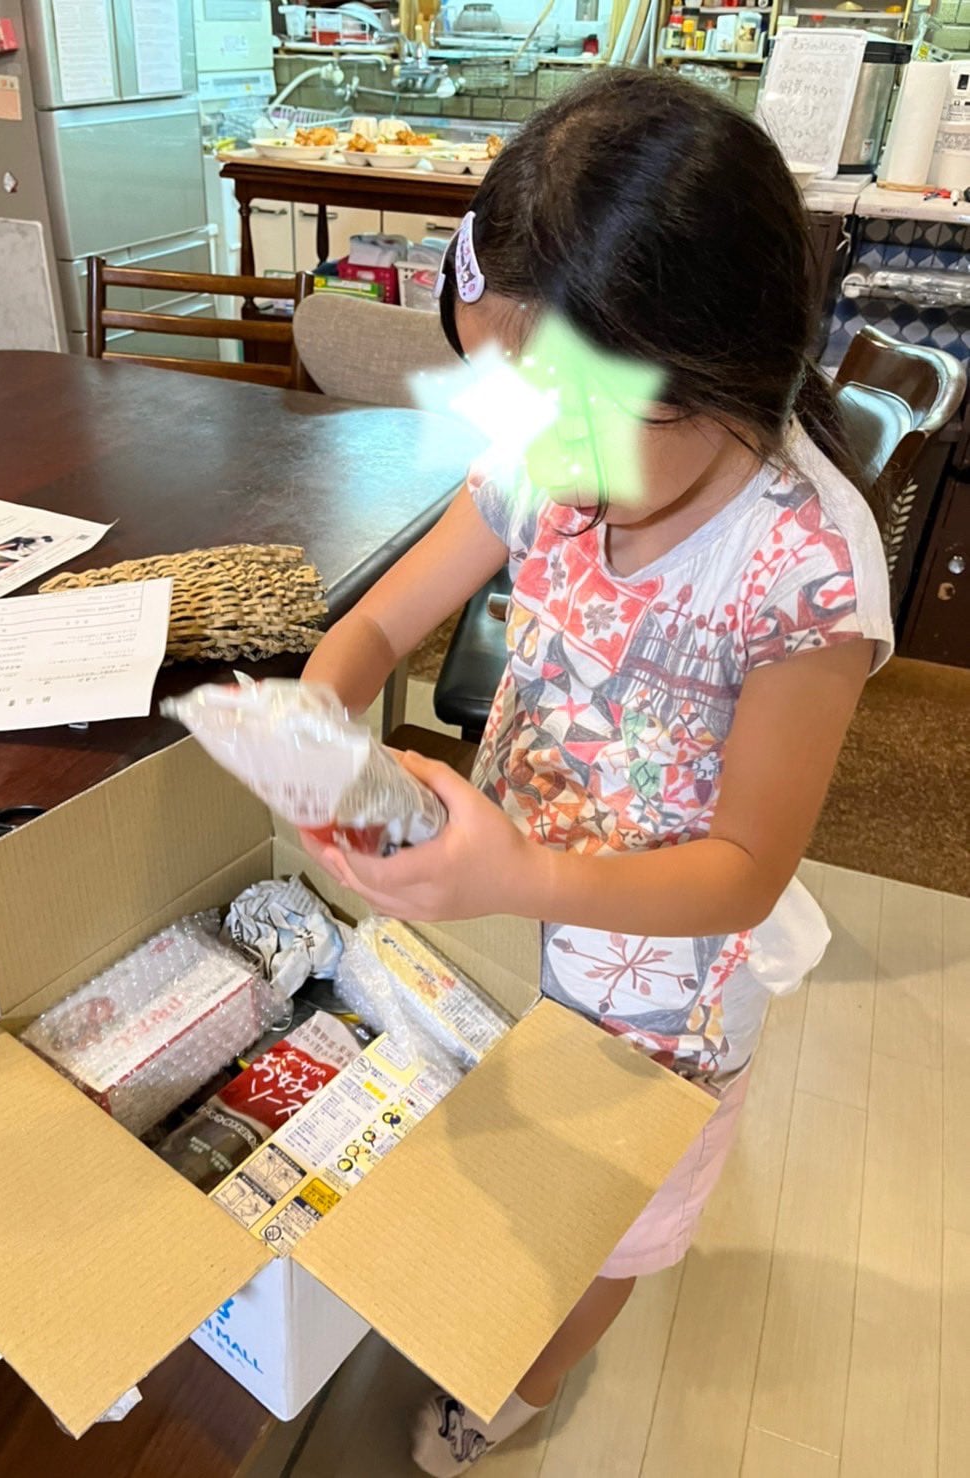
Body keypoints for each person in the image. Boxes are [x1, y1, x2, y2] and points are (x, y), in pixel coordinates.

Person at [300, 69, 893, 1475]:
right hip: (523, 903)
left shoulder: (804, 570)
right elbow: (385, 616)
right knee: (521, 1137)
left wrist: (515, 871)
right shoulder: (553, 450)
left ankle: (521, 1386)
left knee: (615, 1218)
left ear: (722, 372)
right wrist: (321, 710)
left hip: (668, 981)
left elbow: (742, 871)